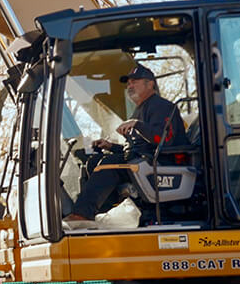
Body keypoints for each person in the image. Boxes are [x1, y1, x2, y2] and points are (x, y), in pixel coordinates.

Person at [65, 64, 188, 223]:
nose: (130, 86)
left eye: (135, 82)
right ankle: (100, 215)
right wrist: (110, 146)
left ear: (150, 84)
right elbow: (137, 146)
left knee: (108, 165)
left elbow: (162, 139)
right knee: (94, 161)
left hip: (160, 162)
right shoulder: (141, 108)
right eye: (128, 83)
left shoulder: (161, 106)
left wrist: (138, 124)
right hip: (141, 159)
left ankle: (82, 214)